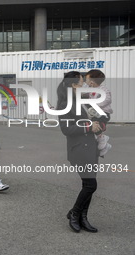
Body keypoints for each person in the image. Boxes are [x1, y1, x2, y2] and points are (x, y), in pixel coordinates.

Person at [57, 71, 102, 233]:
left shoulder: (83, 100)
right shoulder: (64, 104)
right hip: (78, 150)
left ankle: (83, 217)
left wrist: (98, 124)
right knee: (91, 185)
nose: (84, 85)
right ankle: (74, 213)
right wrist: (88, 127)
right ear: (73, 85)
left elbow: (97, 116)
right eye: (82, 83)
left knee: (87, 184)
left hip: (91, 148)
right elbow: (66, 129)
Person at [85, 69, 113, 157]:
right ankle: (103, 144)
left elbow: (107, 99)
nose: (86, 81)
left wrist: (96, 105)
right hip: (96, 113)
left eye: (87, 79)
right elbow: (85, 95)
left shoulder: (103, 89)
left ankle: (102, 138)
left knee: (96, 124)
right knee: (94, 124)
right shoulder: (90, 89)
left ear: (92, 82)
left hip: (103, 113)